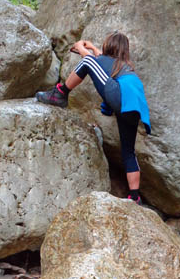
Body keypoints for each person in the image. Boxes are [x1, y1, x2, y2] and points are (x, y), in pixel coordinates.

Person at [35, 32, 150, 204]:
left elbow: (92, 61)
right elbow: (101, 60)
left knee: (88, 61)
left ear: (108, 46)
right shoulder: (124, 65)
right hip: (133, 108)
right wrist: (93, 47)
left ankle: (60, 93)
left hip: (120, 98)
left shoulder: (110, 63)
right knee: (128, 152)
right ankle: (135, 197)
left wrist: (80, 46)